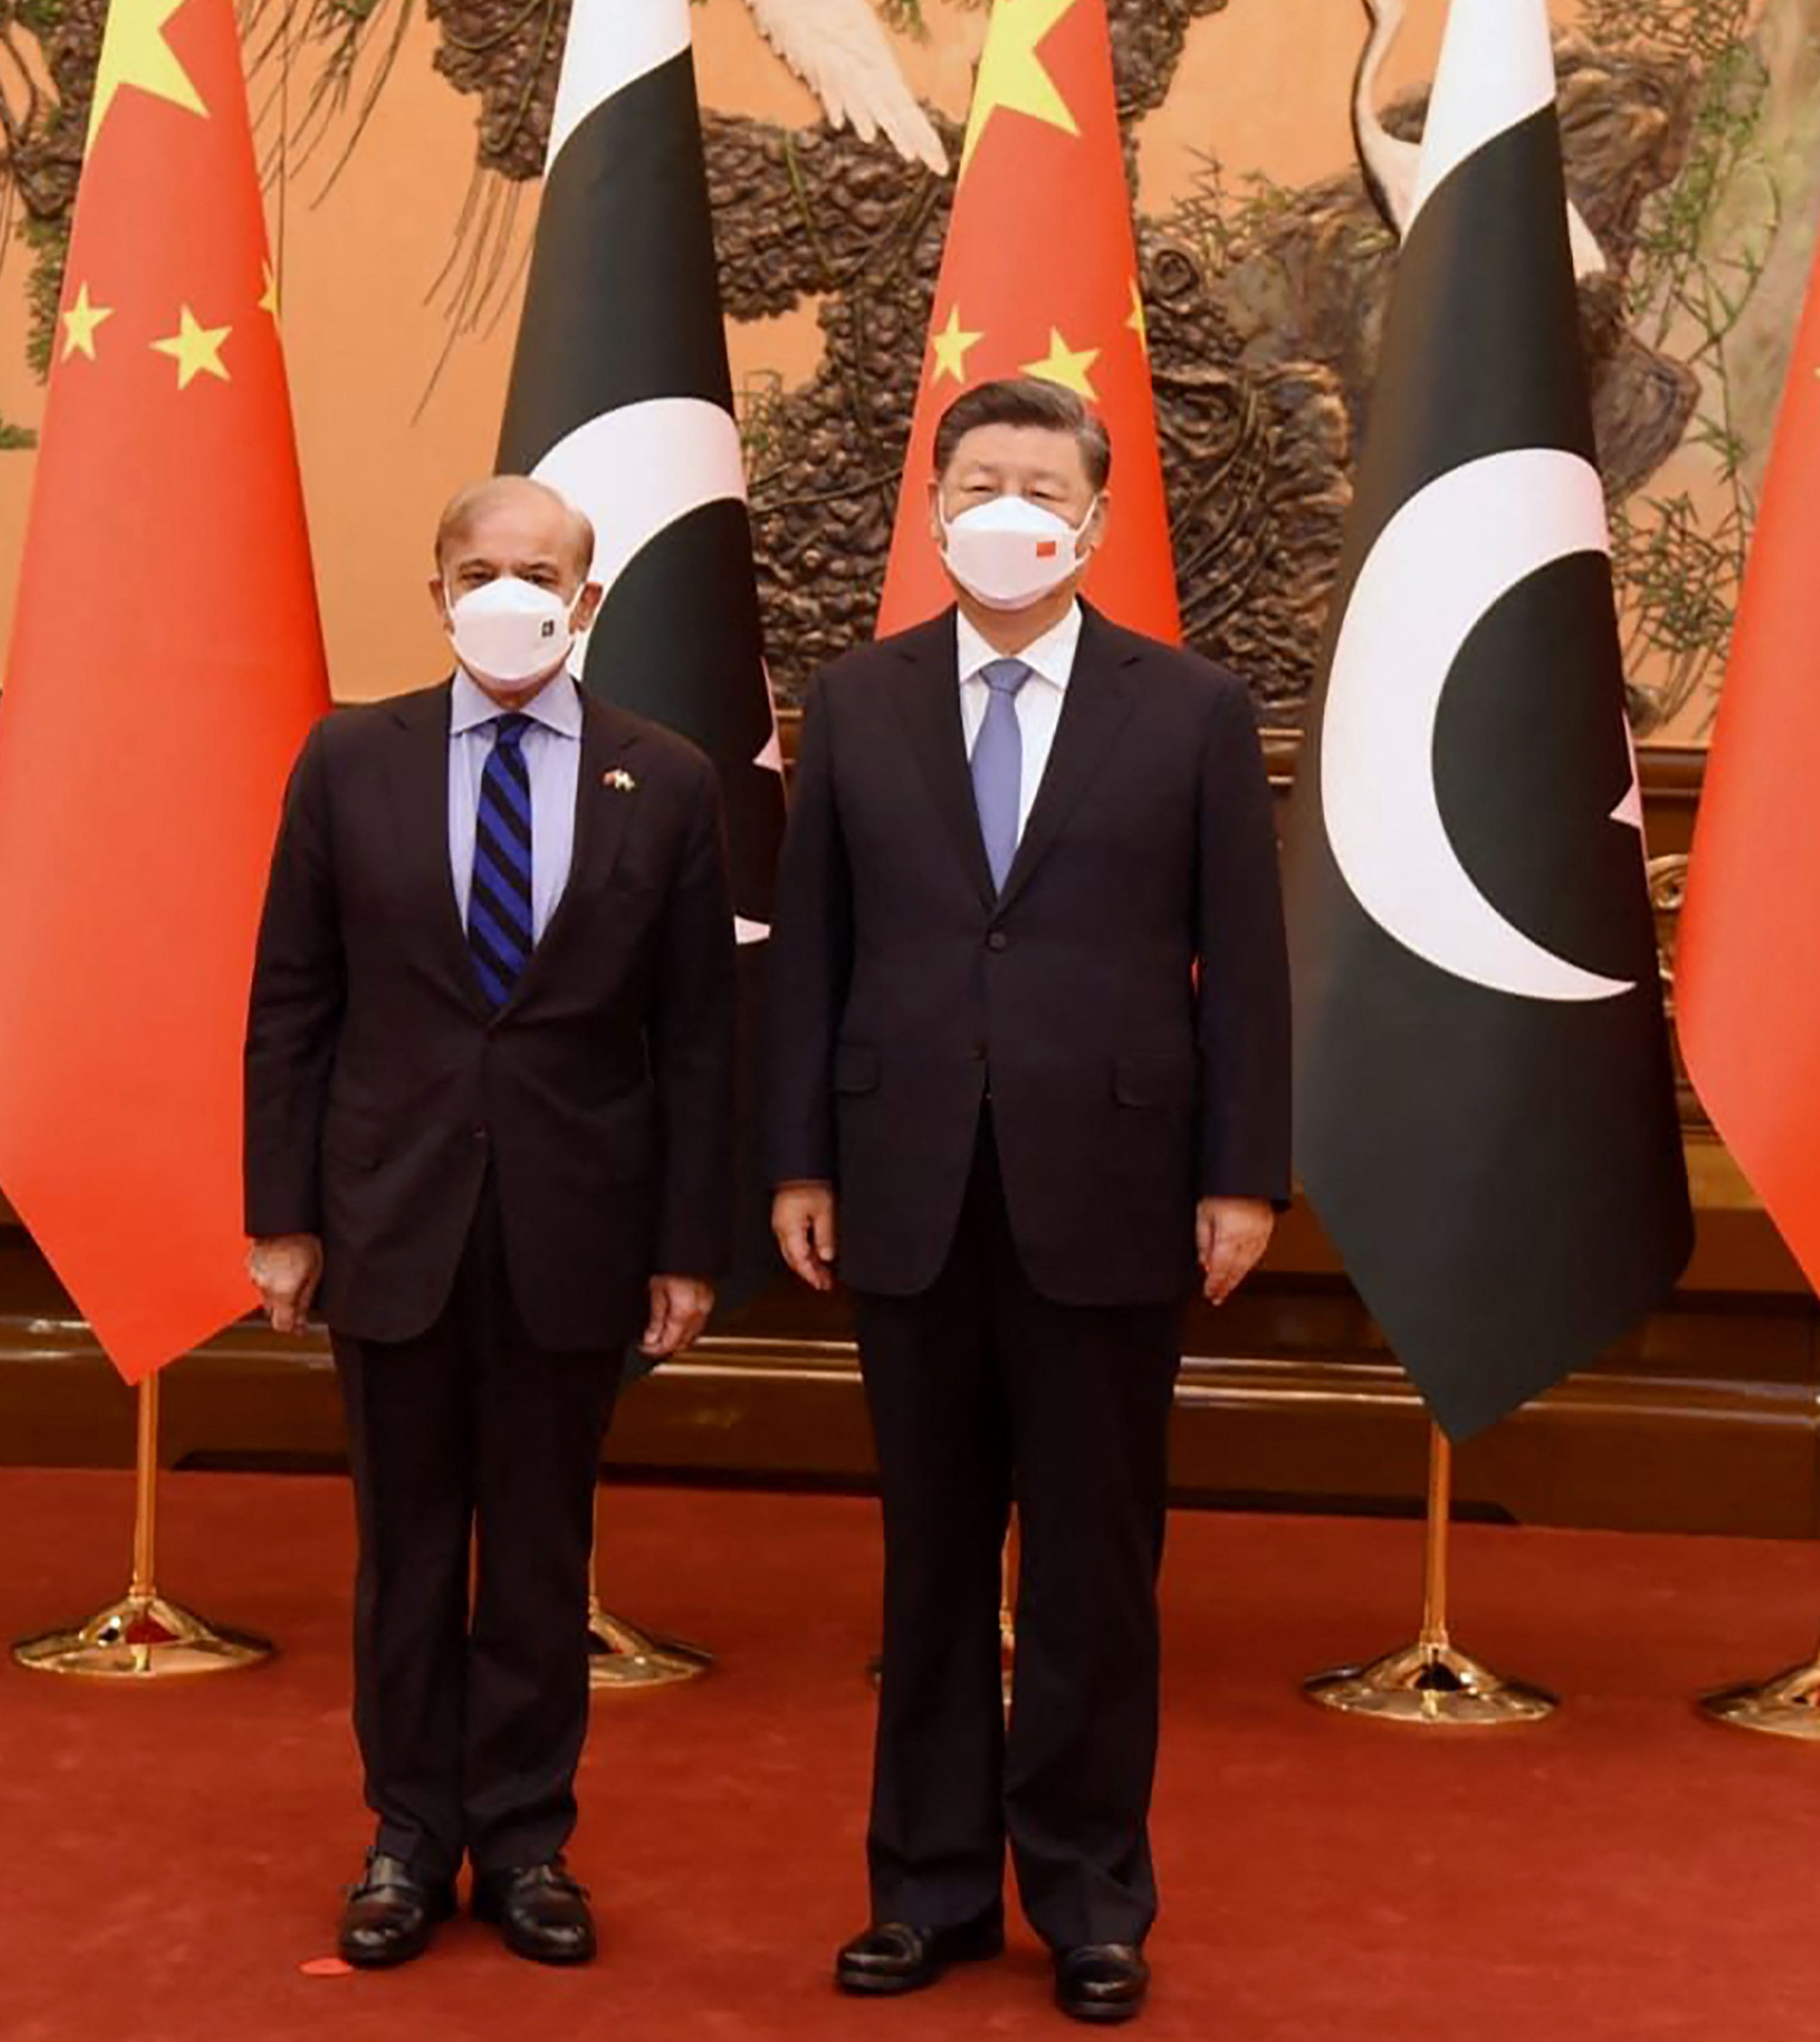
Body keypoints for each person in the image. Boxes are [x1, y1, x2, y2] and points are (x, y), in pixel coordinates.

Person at [765, 377, 1292, 2025]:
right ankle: (922, 1890)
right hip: (904, 1186)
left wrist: (1241, 1176)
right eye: (977, 478)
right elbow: (811, 952)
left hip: (1115, 1190)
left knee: (1092, 1564)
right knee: (928, 1558)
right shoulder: (856, 702)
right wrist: (798, 1158)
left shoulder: (1190, 709)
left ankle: (1088, 1898)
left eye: (1039, 486)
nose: (1007, 507)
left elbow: (1245, 965)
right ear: (932, 506)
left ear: (1095, 519)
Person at [243, 475, 736, 1971]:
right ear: (439, 592)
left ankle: (525, 1842)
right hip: (389, 1217)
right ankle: (406, 1836)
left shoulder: (668, 778)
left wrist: (686, 1242)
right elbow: (293, 1002)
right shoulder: (350, 759)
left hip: (574, 1227)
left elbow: (698, 1037)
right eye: (480, 572)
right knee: (404, 1550)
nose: (507, 595)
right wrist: (283, 1217)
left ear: (586, 602)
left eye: (539, 573)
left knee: (536, 1549)